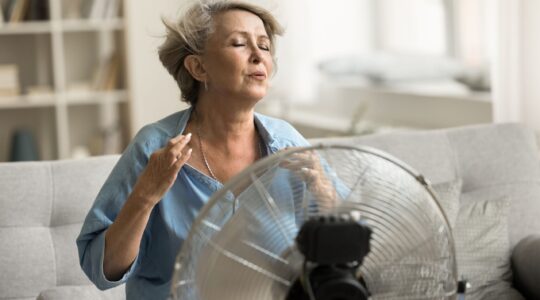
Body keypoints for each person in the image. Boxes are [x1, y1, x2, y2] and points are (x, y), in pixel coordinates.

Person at [76, 1, 331, 299]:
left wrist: (323, 189)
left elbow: (350, 244)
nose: (258, 56)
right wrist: (145, 196)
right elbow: (102, 269)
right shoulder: (154, 147)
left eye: (264, 45)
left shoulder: (289, 143)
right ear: (198, 67)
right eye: (238, 43)